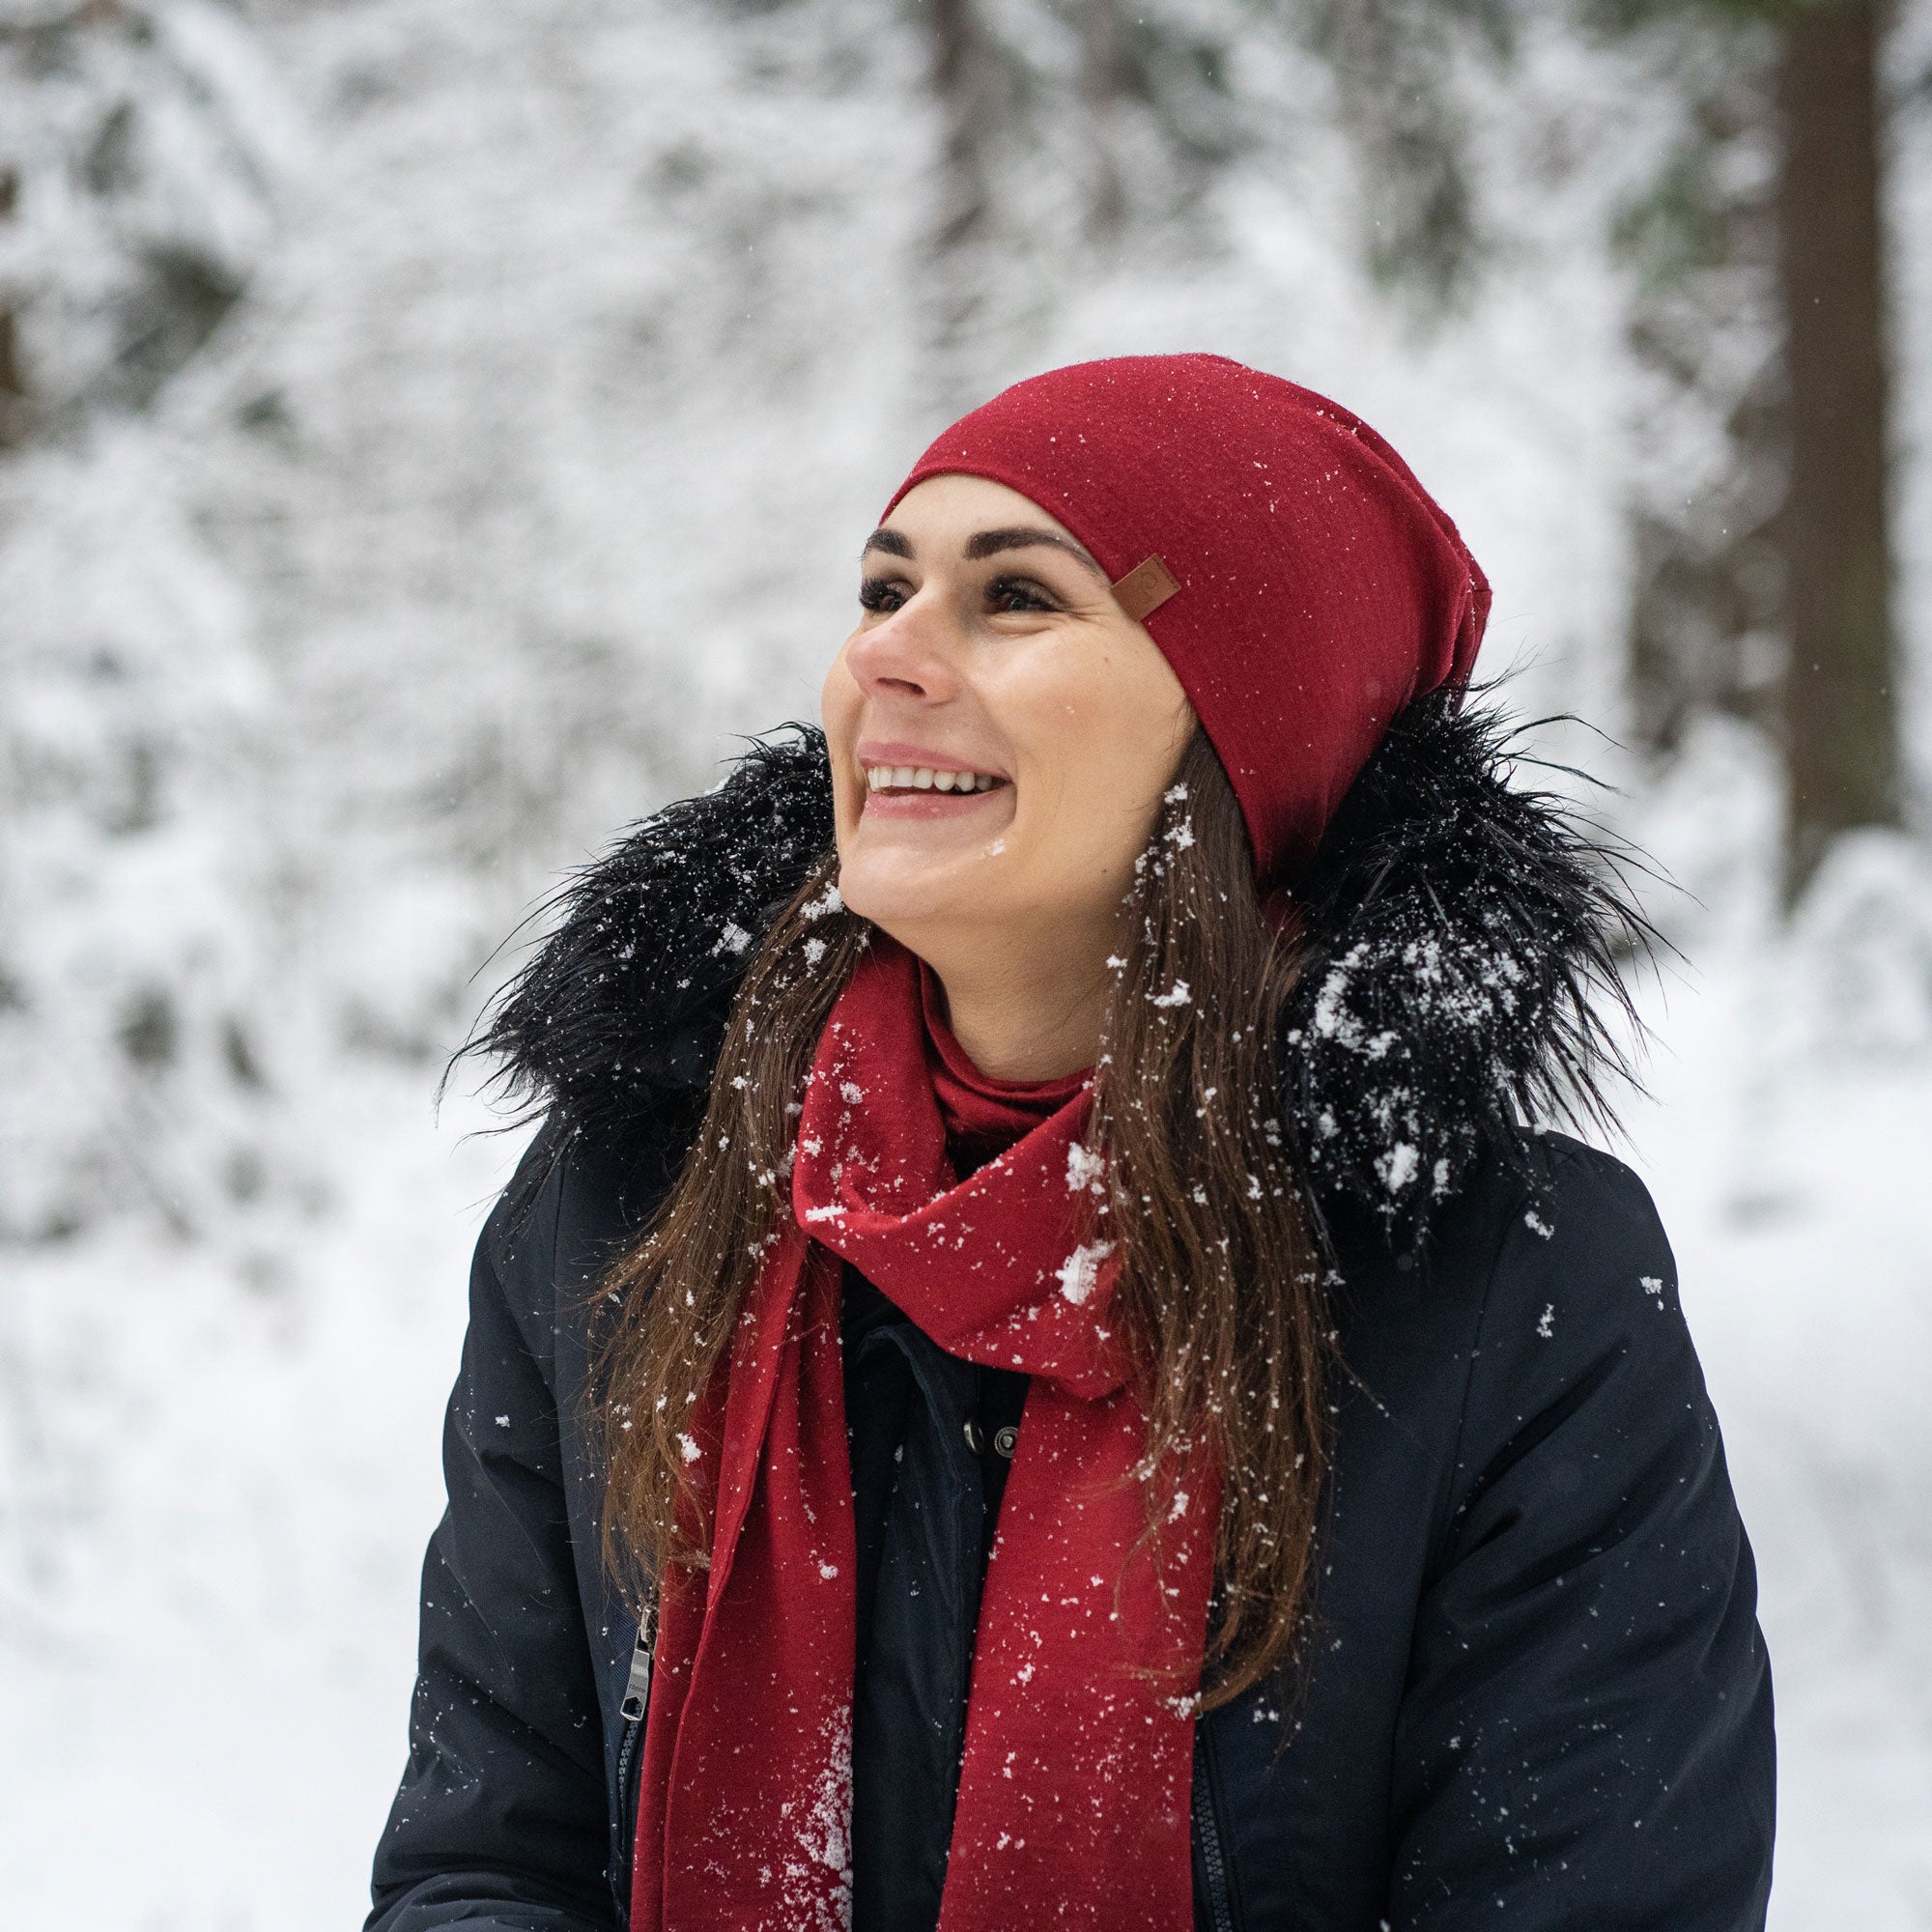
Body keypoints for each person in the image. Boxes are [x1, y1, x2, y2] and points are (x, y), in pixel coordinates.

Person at [367, 355, 1775, 1932]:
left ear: (1251, 730)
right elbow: (489, 1864)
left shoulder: (1501, 1290)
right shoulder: (622, 1212)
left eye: (1017, 599)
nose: (888, 655)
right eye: (882, 588)